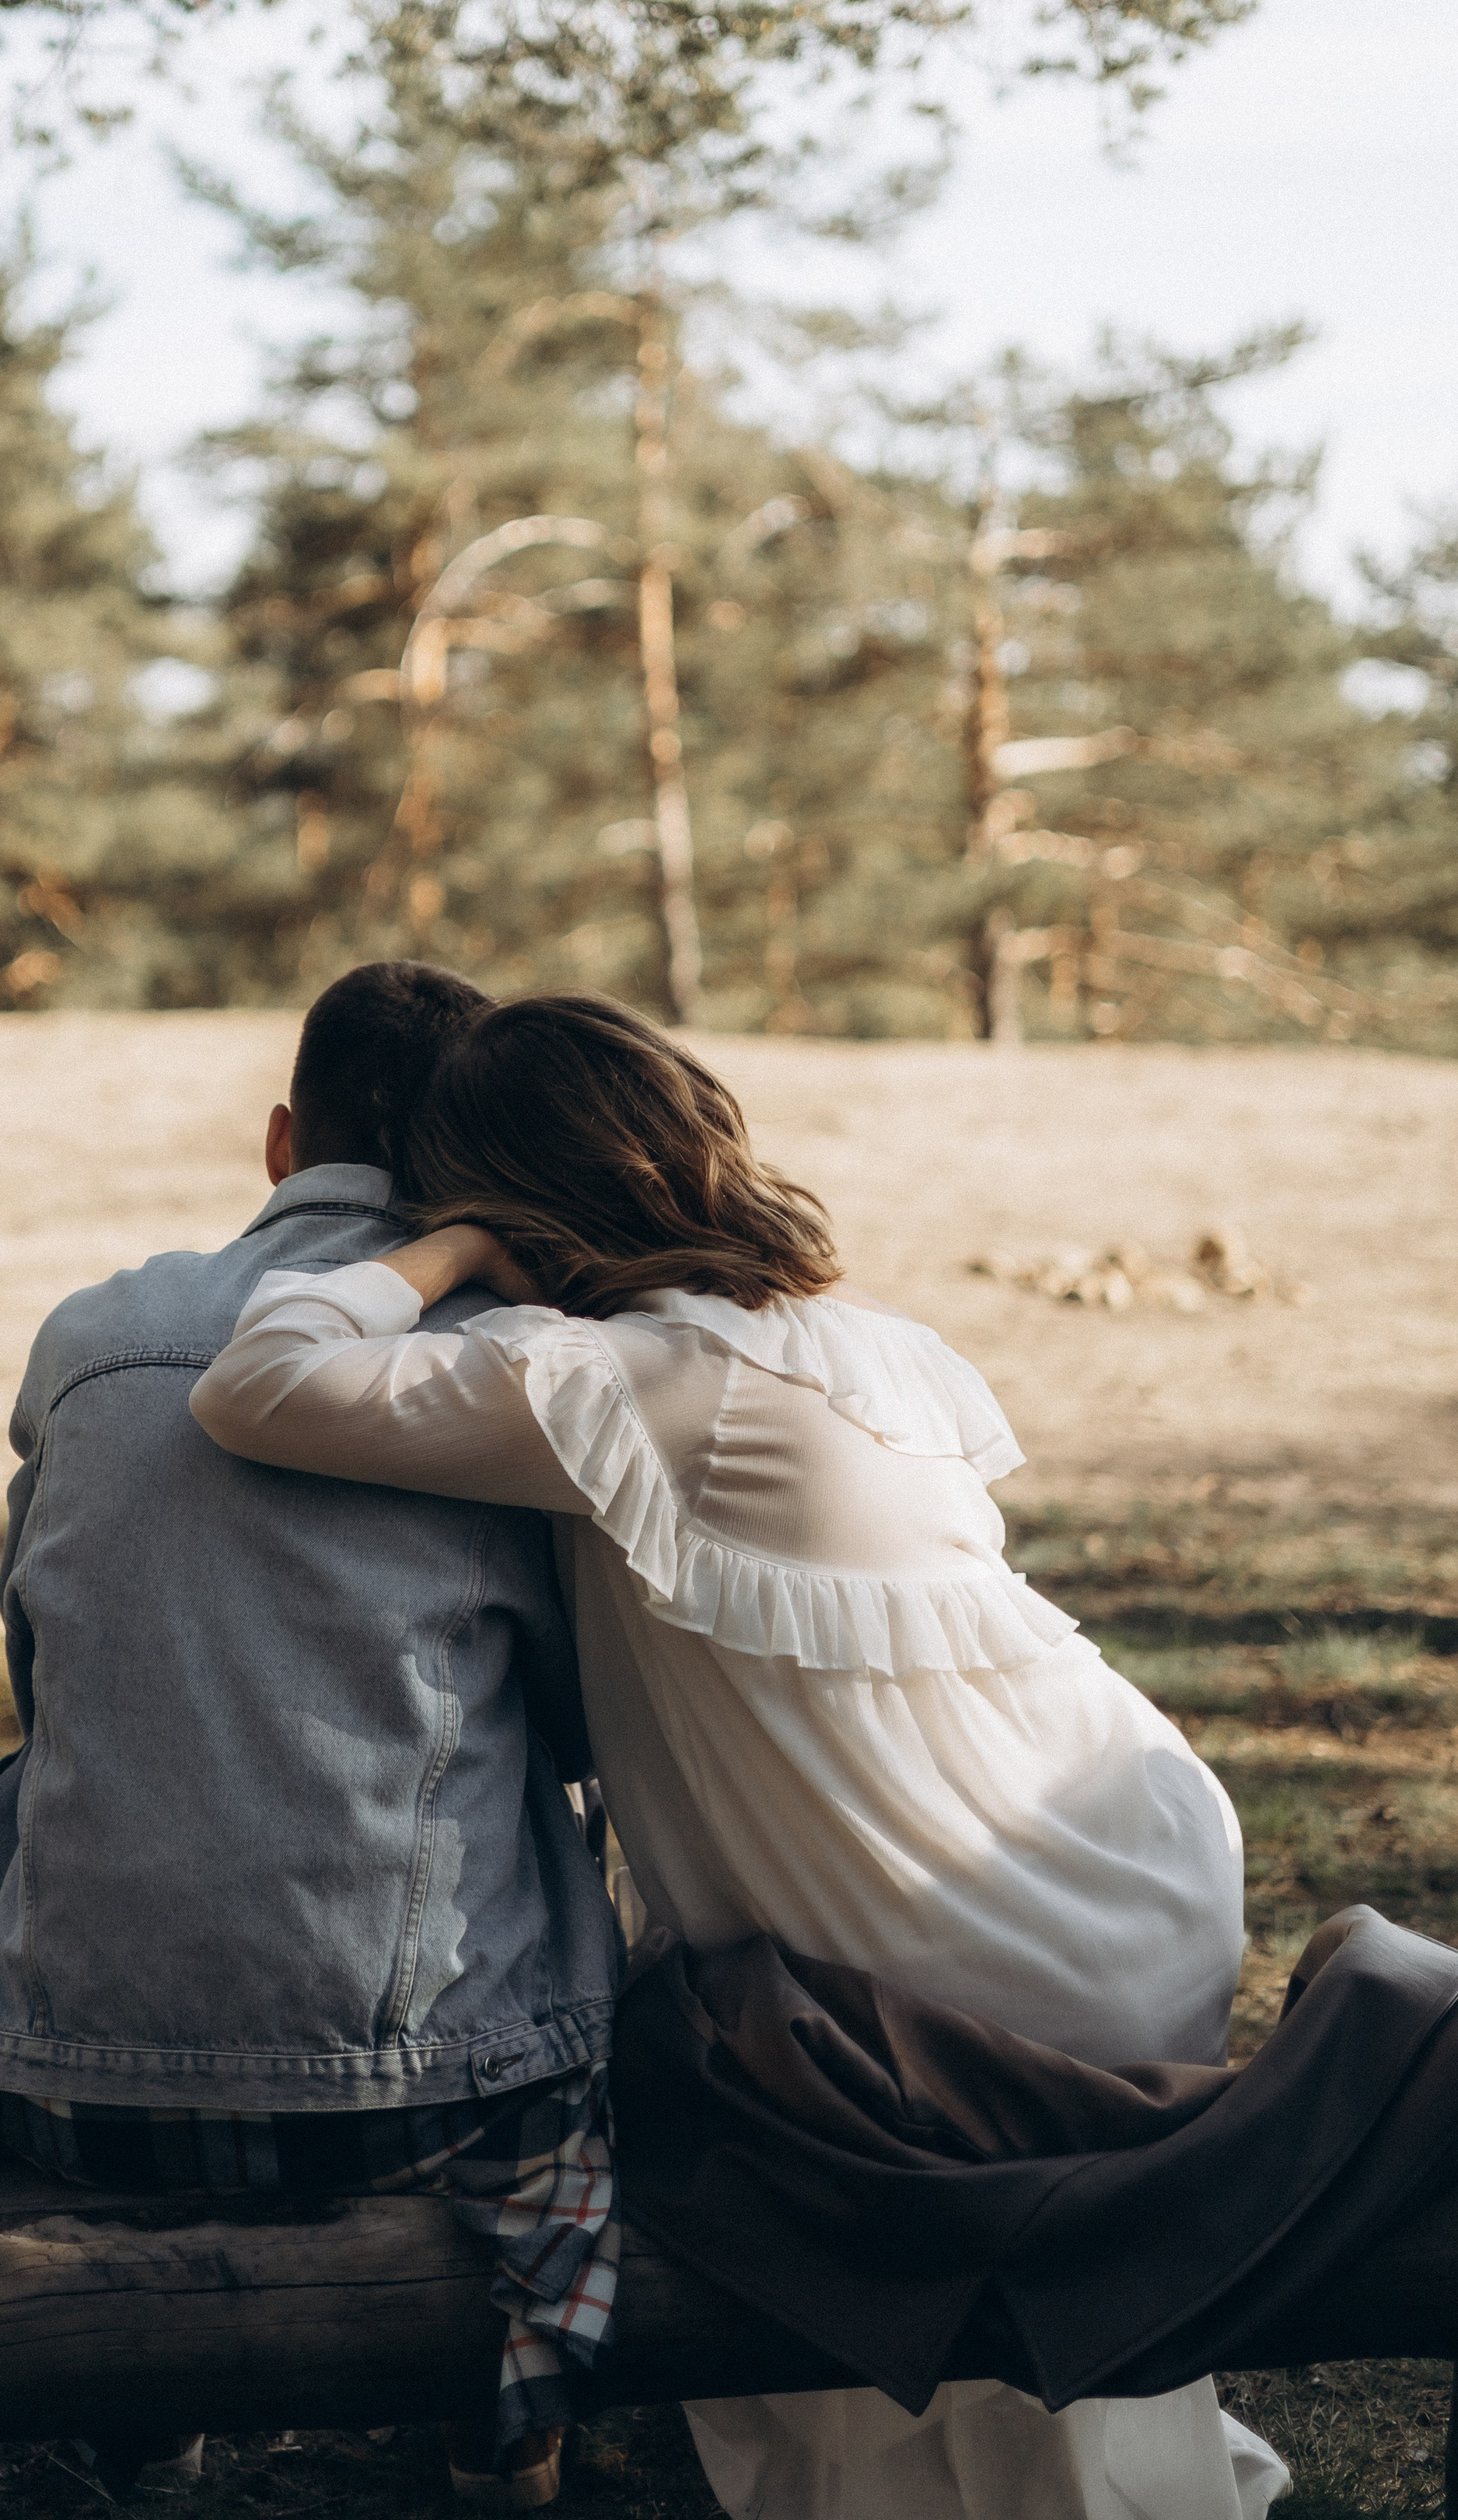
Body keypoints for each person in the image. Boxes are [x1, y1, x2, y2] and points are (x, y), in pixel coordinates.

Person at [190, 990, 1292, 2520]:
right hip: (1130, 1872)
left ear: (504, 1200)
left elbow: (253, 1385)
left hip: (960, 1965)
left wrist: (438, 1254)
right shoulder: (867, 1346)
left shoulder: (606, 1380)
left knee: (644, 2052)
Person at [0, 964, 624, 2508]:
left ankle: (144, 2425)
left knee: (56, 1772)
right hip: (437, 2099)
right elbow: (575, 1722)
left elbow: (40, 1662)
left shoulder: (92, 1338)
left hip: (70, 2102)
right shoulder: (509, 1361)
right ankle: (507, 2446)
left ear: (285, 1141)